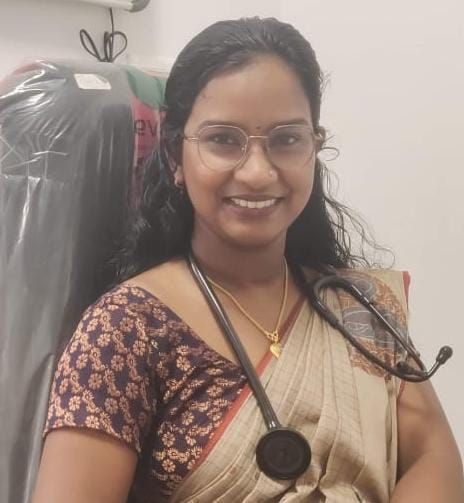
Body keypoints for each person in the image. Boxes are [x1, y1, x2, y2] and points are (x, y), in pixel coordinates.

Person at [33, 17, 463, 503]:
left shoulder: (358, 306)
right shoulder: (124, 330)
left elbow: (433, 457)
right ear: (174, 155)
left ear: (315, 148)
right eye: (223, 139)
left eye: (286, 139)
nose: (258, 172)